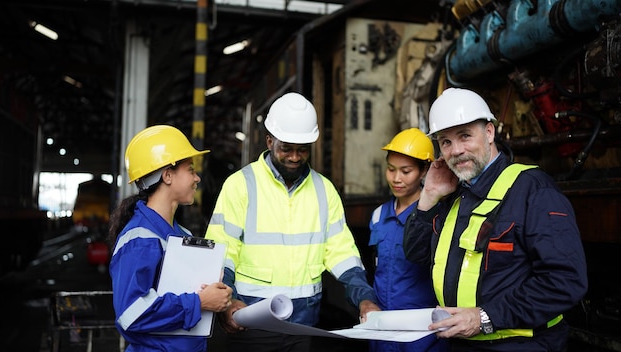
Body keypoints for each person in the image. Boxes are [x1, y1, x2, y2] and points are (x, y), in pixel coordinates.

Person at [402, 87, 588, 351]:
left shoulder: (532, 189)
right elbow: (415, 253)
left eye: (465, 136)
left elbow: (565, 281)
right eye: (445, 142)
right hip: (461, 343)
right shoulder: (454, 195)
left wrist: (484, 317)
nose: (456, 150)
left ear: (489, 132)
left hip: (522, 345)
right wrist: (429, 195)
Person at [205, 91, 380, 352]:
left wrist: (364, 298)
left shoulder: (324, 190)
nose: (295, 157)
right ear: (269, 141)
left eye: (302, 150)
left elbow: (342, 254)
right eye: (286, 148)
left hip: (302, 324)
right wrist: (230, 303)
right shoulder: (240, 185)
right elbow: (221, 253)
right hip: (251, 321)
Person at [108, 125, 233, 352]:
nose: (197, 178)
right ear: (167, 175)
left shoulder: (181, 236)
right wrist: (200, 302)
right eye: (191, 170)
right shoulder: (140, 240)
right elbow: (130, 314)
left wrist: (214, 290)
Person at [368, 128, 448, 352]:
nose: (396, 178)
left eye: (406, 171)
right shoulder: (377, 216)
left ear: (424, 171)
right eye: (391, 169)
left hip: (423, 332)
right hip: (382, 329)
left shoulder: (436, 217)